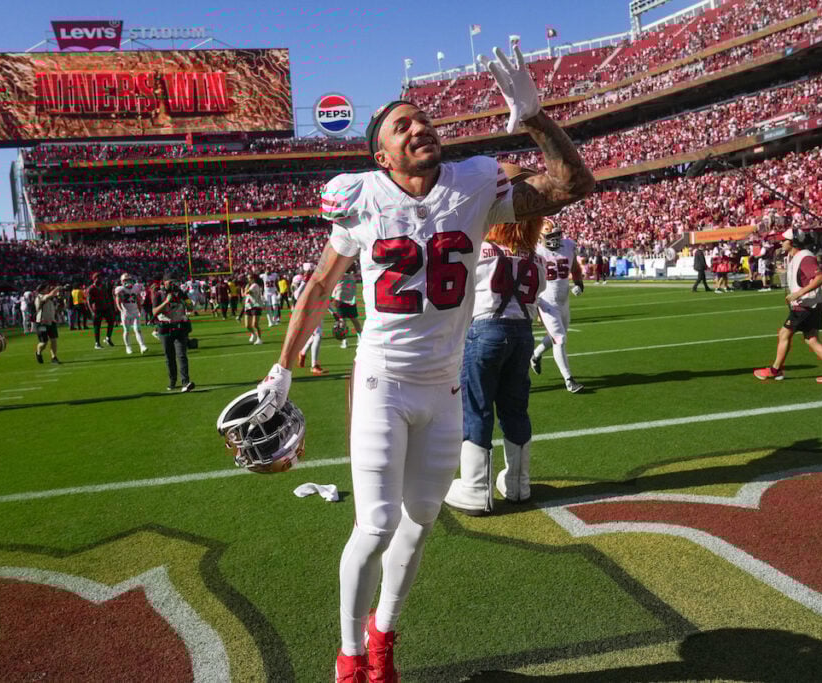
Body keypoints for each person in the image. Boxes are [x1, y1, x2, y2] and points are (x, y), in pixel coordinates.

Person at [251, 43, 594, 682]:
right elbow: (322, 286)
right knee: (376, 523)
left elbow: (573, 184)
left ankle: (383, 639)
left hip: (443, 385)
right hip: (383, 379)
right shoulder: (359, 199)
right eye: (401, 124)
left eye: (422, 118)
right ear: (381, 155)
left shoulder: (473, 183)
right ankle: (349, 656)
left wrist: (537, 118)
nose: (419, 125)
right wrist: (284, 365)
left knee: (419, 524)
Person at [445, 165, 548, 516]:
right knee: (515, 408)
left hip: (485, 330)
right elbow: (539, 292)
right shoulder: (537, 258)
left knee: (476, 407)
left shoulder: (479, 249)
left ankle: (476, 488)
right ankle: (519, 485)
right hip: (522, 334)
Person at [753, 229, 822, 383]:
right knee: (811, 339)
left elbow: (820, 278)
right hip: (810, 303)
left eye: (784, 240)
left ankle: (775, 370)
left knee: (785, 334)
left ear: (793, 242)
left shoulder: (805, 257)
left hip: (805, 304)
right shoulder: (798, 257)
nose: (781, 242)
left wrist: (797, 294)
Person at [530, 220, 585, 393]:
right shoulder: (535, 251)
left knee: (558, 335)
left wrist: (578, 282)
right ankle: (569, 380)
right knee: (560, 339)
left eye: (556, 235)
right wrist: (534, 307)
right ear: (540, 236)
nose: (554, 239)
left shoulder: (568, 246)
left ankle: (535, 355)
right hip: (546, 301)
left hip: (563, 300)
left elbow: (574, 266)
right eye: (550, 236)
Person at [152, 276, 195, 392]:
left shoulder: (180, 293)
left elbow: (190, 307)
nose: (173, 284)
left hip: (180, 328)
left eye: (174, 281)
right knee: (169, 357)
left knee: (182, 355)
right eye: (170, 281)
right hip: (165, 328)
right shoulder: (158, 294)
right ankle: (172, 381)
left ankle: (185, 382)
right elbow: (154, 311)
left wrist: (187, 302)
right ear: (164, 282)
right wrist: (166, 301)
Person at [294, 263, 328, 375]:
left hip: (317, 311)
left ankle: (302, 353)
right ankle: (314, 365)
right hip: (307, 312)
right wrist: (304, 281)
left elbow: (322, 298)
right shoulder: (300, 280)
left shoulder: (317, 282)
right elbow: (297, 295)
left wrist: (333, 312)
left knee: (314, 336)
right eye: (310, 271)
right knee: (317, 335)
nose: (312, 272)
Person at [330, 264, 363, 349]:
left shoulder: (343, 276)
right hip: (347, 301)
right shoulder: (351, 276)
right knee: (352, 321)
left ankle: (347, 340)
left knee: (345, 322)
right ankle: (354, 339)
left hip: (342, 301)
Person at [115, 273, 148, 355]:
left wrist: (140, 310)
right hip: (126, 313)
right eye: (125, 280)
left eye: (128, 280)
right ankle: (128, 347)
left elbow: (138, 300)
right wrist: (121, 310)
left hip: (135, 311)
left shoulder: (136, 288)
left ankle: (142, 346)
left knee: (138, 330)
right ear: (122, 281)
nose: (127, 282)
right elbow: (117, 301)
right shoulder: (120, 289)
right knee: (126, 330)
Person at [34, 283, 63, 364]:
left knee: (53, 340)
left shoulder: (49, 297)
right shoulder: (40, 297)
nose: (48, 289)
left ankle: (54, 357)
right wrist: (58, 287)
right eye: (46, 288)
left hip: (51, 322)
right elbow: (51, 294)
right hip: (42, 323)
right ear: (42, 290)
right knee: (44, 342)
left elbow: (54, 298)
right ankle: (38, 352)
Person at [86, 272, 116, 349]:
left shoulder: (103, 286)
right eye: (98, 278)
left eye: (101, 278)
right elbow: (89, 301)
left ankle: (108, 338)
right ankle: (97, 343)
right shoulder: (91, 289)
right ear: (94, 279)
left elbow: (107, 296)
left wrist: (110, 305)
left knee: (111, 321)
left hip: (106, 308)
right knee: (97, 326)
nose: (100, 279)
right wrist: (91, 311)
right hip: (97, 309)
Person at [243, 273, 264, 345]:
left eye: (250, 278)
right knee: (247, 325)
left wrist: (245, 289)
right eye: (248, 278)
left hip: (256, 305)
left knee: (255, 324)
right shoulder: (249, 285)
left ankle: (259, 339)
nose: (248, 279)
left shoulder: (254, 285)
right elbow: (244, 294)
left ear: (253, 279)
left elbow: (247, 292)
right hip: (248, 305)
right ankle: (253, 334)